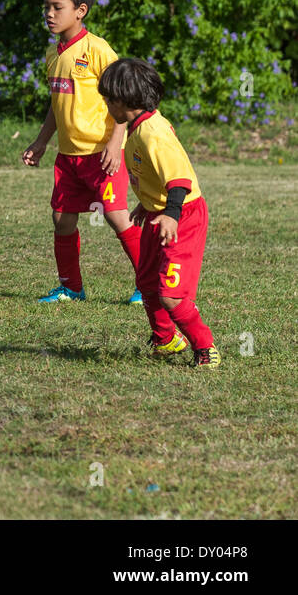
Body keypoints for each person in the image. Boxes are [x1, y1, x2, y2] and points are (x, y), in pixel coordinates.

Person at [20, 0, 143, 304]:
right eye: (46, 6)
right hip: (68, 157)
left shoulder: (98, 50)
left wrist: (116, 143)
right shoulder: (52, 54)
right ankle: (71, 287)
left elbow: (125, 99)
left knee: (119, 218)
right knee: (61, 219)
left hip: (102, 154)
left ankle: (148, 285)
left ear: (81, 10)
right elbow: (57, 104)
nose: (49, 13)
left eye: (57, 7)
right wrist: (41, 141)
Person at [97, 58, 219, 368]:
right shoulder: (138, 128)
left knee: (171, 296)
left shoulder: (153, 134)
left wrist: (171, 214)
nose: (106, 103)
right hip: (159, 213)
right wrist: (147, 203)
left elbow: (179, 181)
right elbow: (158, 177)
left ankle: (205, 347)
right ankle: (165, 340)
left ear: (126, 99)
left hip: (182, 217)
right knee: (147, 282)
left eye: (109, 98)